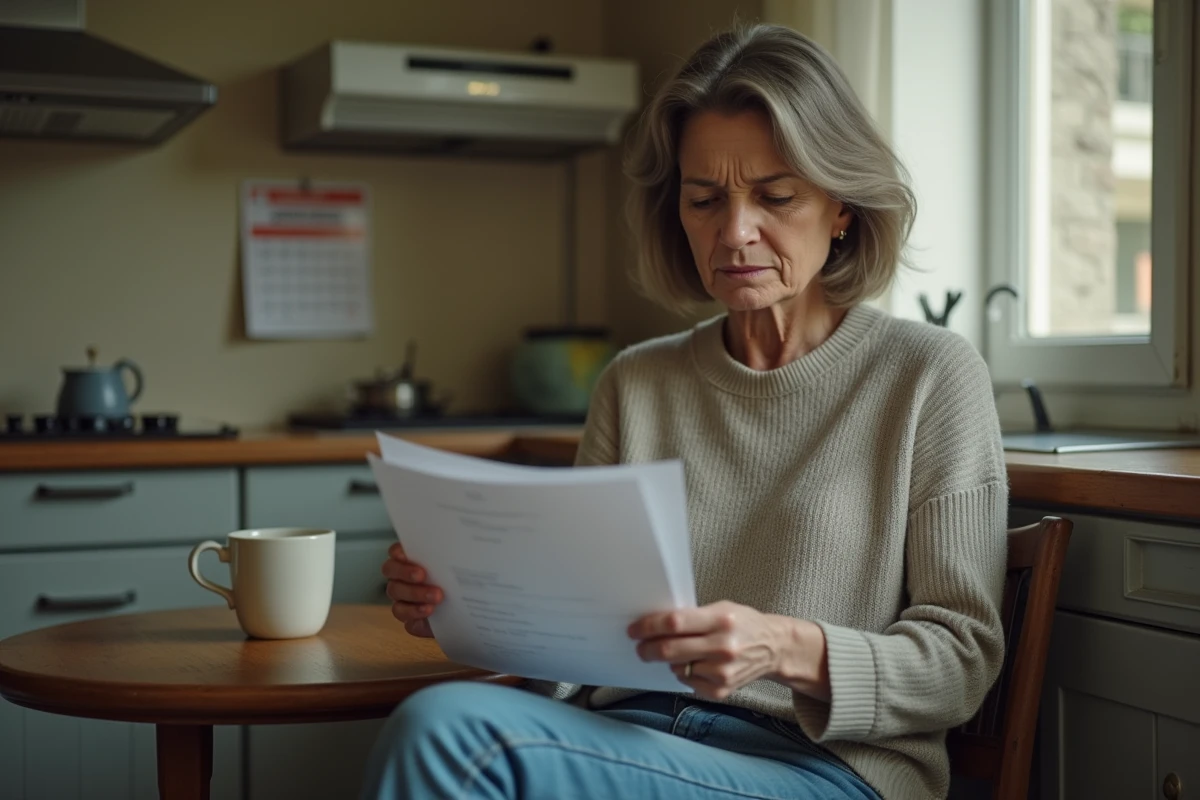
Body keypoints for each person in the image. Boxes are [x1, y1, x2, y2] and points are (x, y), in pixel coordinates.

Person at [361, 22, 1008, 800]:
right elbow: (571, 643)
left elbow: (962, 662)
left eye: (775, 197)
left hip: (822, 768)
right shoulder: (635, 384)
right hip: (630, 739)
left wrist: (783, 648)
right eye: (705, 200)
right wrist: (463, 608)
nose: (735, 233)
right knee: (448, 726)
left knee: (446, 737)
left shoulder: (930, 376)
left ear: (841, 207)